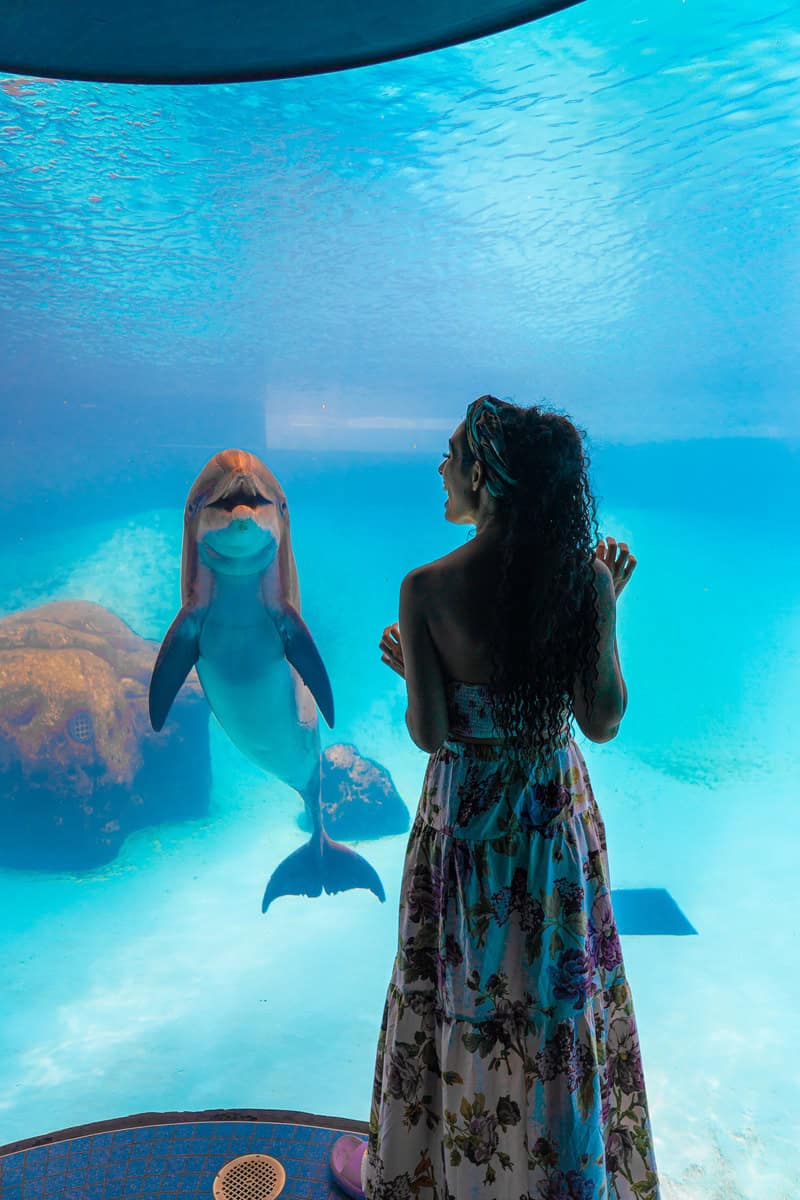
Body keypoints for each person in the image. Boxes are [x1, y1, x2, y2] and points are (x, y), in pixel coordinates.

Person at [331, 396, 660, 1200]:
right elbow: (603, 720)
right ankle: (559, 1179)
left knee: (462, 996)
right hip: (551, 821)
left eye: (450, 454)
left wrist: (417, 671)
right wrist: (606, 609)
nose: (440, 467)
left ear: (485, 474)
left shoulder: (426, 587)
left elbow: (431, 734)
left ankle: (442, 1174)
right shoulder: (579, 577)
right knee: (554, 1000)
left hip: (467, 824)